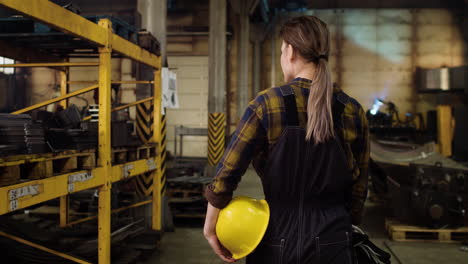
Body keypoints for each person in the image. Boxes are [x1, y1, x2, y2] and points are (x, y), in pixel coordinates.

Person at [204, 15, 369, 264]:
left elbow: (227, 172)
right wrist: (347, 223)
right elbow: (360, 185)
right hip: (334, 240)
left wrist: (210, 226)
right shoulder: (352, 110)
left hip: (275, 240)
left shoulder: (266, 104)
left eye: (282, 51)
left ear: (290, 51)